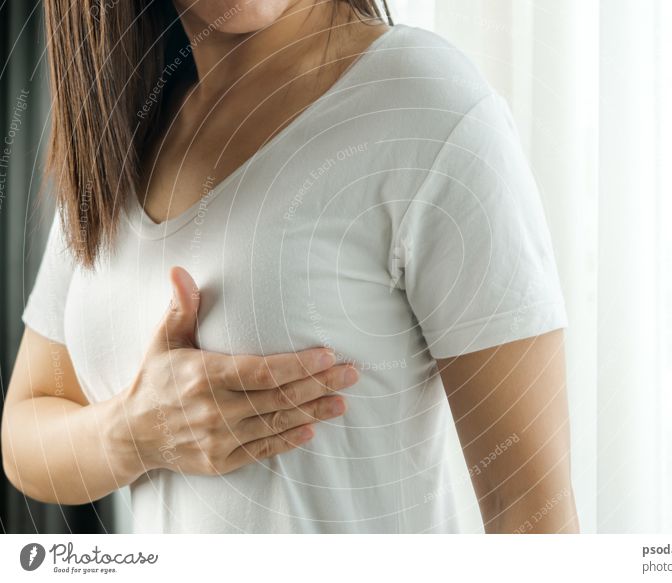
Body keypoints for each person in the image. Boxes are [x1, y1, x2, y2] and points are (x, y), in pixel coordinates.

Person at [1, 0, 579, 533]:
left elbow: (532, 513)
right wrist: (137, 433)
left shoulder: (427, 104)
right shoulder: (124, 133)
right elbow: (26, 429)